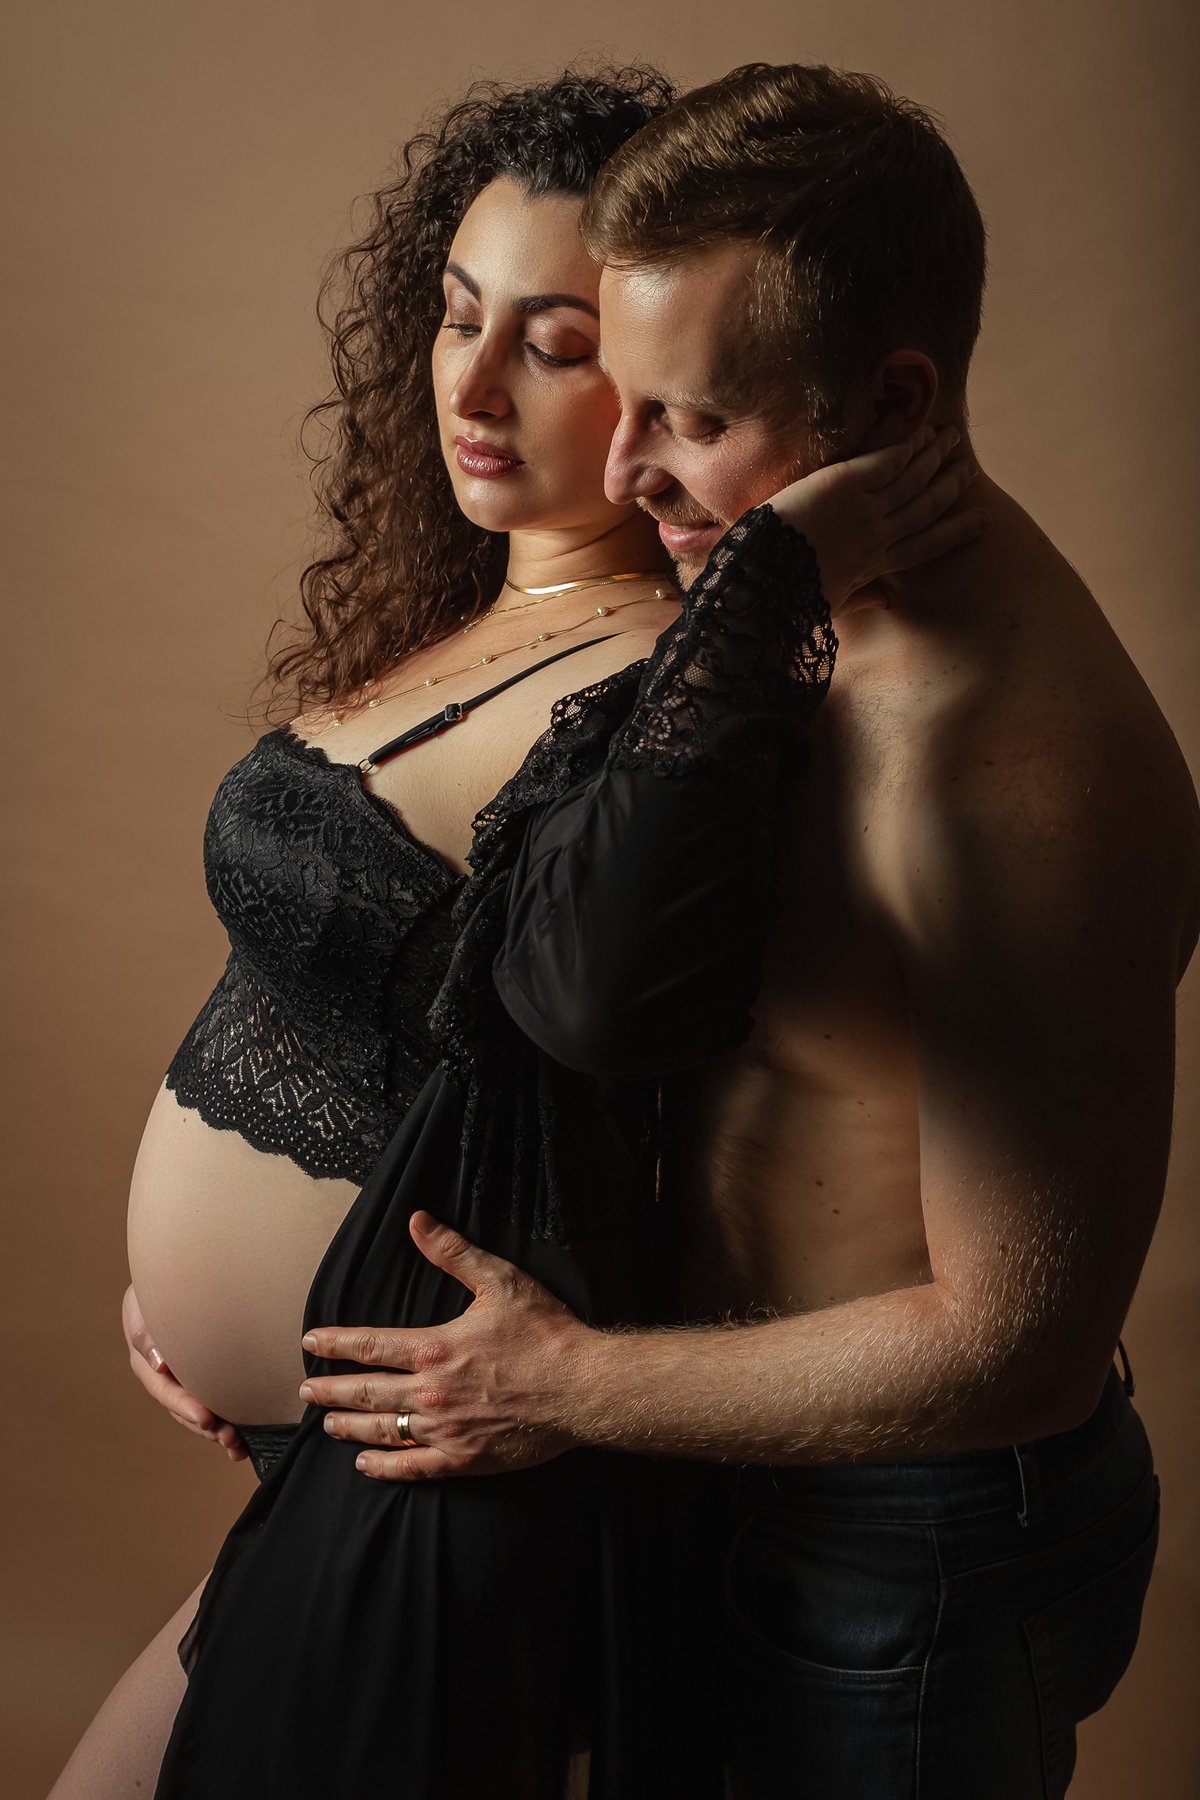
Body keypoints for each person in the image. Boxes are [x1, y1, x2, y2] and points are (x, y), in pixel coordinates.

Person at [57, 63, 976, 1800]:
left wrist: (771, 570)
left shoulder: (686, 692)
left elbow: (607, 993)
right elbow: (333, 997)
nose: (472, 386)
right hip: (315, 1444)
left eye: (553, 346)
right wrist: (188, 1276)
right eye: (456, 313)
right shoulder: (468, 621)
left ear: (658, 379)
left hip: (441, 1474)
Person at [301, 63, 1200, 1799]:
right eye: (620, 399)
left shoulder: (1008, 765)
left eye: (692, 419)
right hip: (731, 1470)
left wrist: (565, 1389)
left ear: (896, 399)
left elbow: (1018, 1347)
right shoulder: (803, 612)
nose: (623, 470)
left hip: (904, 1546)